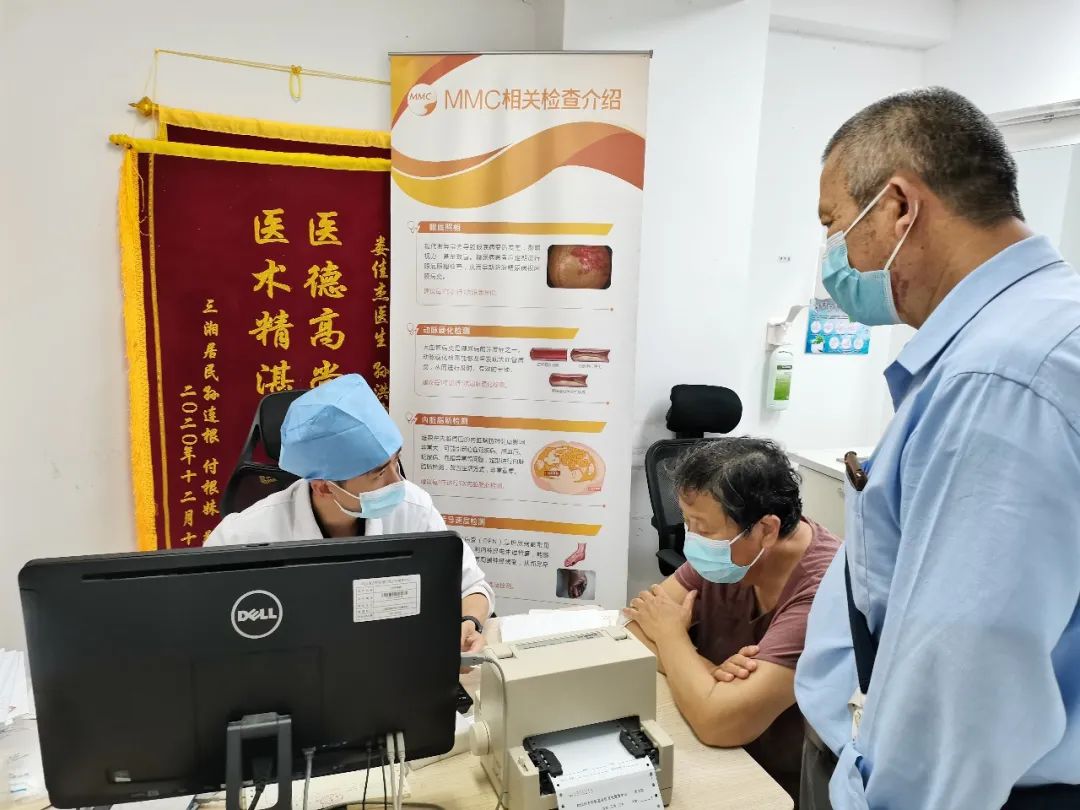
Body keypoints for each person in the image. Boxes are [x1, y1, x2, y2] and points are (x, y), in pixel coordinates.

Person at [796, 87, 1080, 809]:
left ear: (898, 206)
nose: (834, 255)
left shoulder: (1002, 376)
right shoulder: (1041, 328)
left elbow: (964, 673)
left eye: (835, 224)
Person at [206, 374, 494, 653]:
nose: (397, 481)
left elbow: (472, 587)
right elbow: (205, 625)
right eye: (378, 473)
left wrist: (469, 622)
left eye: (396, 461)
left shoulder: (412, 508)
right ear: (323, 486)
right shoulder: (244, 536)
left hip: (391, 662)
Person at [623, 439, 840, 802]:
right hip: (711, 751)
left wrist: (673, 637)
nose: (692, 541)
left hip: (779, 784)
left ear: (766, 529)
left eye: (703, 529)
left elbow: (718, 723)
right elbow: (634, 627)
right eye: (688, 524)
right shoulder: (731, 556)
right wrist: (709, 673)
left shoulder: (824, 591)